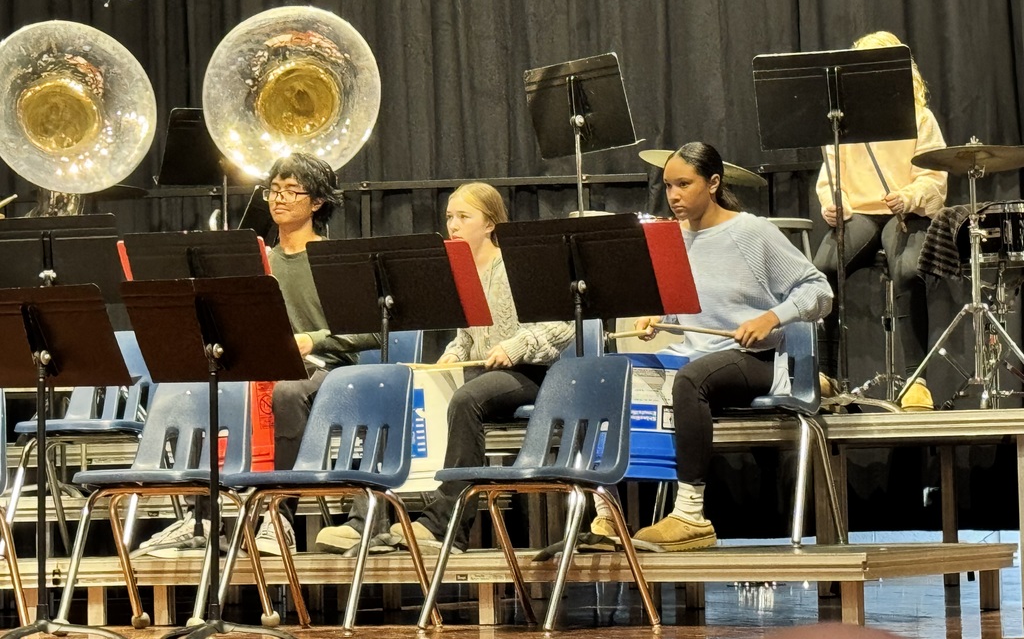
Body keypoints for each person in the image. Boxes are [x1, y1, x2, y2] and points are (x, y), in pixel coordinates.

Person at [138, 153, 379, 557]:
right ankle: (202, 519)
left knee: (286, 393)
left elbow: (371, 329)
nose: (279, 198)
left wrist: (313, 339)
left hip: (325, 369)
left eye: (291, 190)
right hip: (262, 362)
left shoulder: (334, 258)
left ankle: (277, 514)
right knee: (201, 390)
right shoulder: (259, 259)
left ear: (317, 202)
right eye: (274, 189)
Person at [317, 182, 574, 555]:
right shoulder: (463, 271)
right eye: (450, 217)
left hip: (531, 373)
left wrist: (515, 346)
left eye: (463, 217)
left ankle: (446, 525)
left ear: (490, 224)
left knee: (466, 399)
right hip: (482, 371)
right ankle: (370, 519)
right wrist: (453, 353)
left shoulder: (517, 265)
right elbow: (467, 336)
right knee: (399, 392)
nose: (453, 225)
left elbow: (562, 325)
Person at [628, 142, 832, 551]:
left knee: (690, 381)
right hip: (693, 354)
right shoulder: (671, 238)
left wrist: (772, 317)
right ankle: (608, 517)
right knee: (617, 374)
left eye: (684, 184)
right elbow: (686, 299)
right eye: (668, 186)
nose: (674, 196)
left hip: (754, 360)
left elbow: (820, 291)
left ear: (714, 183)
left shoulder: (751, 232)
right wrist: (655, 313)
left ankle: (690, 515)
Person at [813, 31, 947, 403]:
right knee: (823, 267)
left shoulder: (920, 117)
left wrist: (909, 196)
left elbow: (935, 178)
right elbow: (830, 178)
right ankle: (827, 375)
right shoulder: (843, 121)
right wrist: (833, 201)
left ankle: (915, 381)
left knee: (907, 270)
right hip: (860, 213)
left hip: (905, 210)